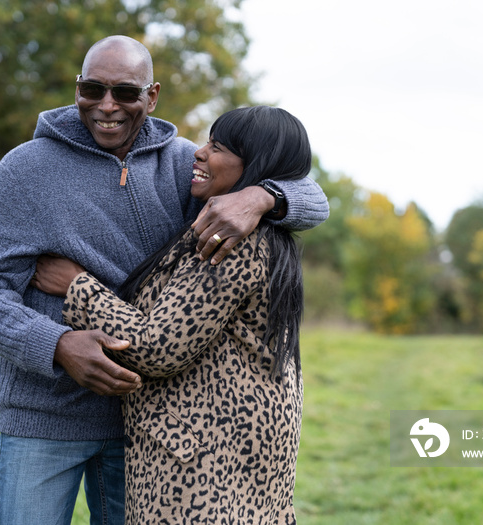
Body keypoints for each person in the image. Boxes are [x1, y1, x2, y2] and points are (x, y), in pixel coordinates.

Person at [0, 35, 329, 525]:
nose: (107, 106)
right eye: (93, 89)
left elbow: (313, 197)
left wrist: (261, 198)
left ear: (151, 96)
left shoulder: (185, 166)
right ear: (77, 89)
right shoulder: (23, 172)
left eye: (125, 93)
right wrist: (58, 344)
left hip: (147, 428)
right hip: (44, 417)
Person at [32, 105, 310, 524]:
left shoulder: (234, 244)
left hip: (204, 459)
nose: (199, 153)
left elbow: (157, 346)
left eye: (217, 147)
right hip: (229, 446)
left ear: (255, 166)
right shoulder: (253, 232)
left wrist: (76, 285)